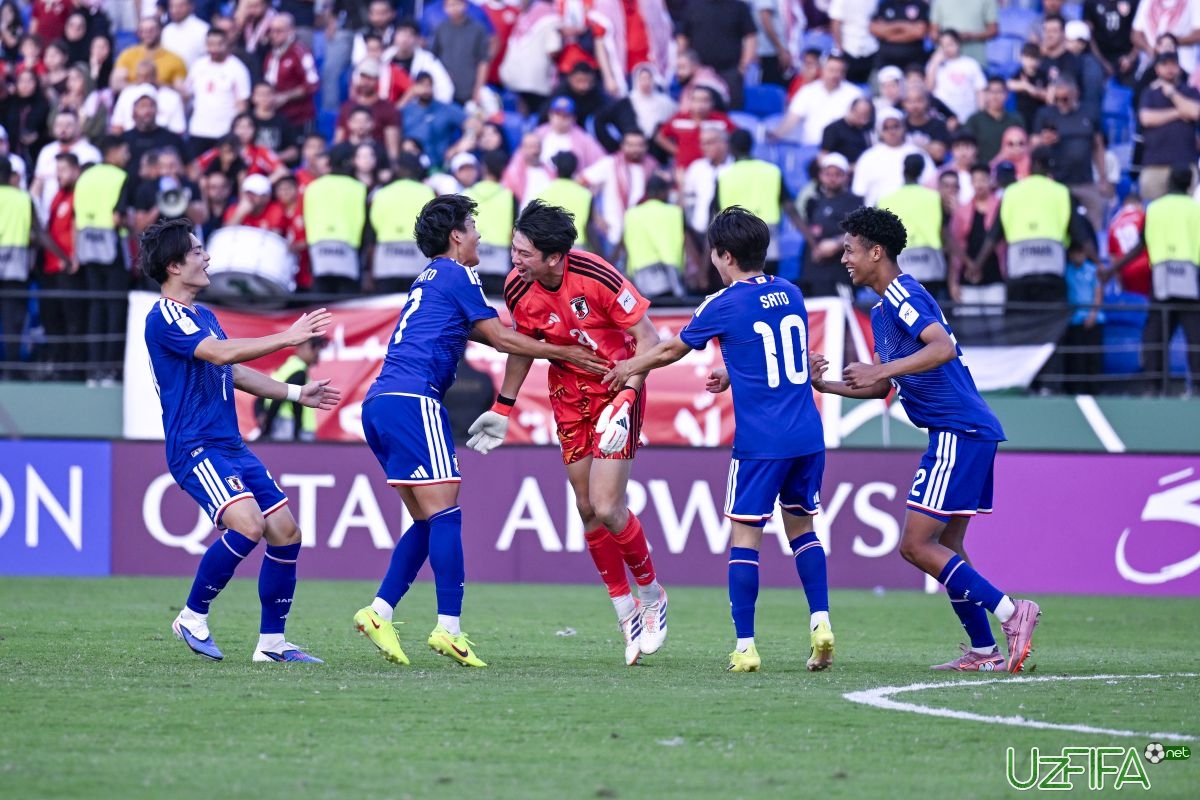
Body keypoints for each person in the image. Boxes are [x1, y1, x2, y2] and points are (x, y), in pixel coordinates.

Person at [351, 195, 609, 668]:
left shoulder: (429, 279)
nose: (479, 236)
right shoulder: (457, 273)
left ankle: (379, 612)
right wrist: (566, 353)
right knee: (447, 513)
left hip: (381, 403)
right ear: (455, 236)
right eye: (472, 226)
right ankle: (449, 628)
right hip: (413, 399)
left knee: (430, 521)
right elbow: (500, 337)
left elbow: (475, 332)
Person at [602, 206, 835, 673]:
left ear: (724, 255)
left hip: (761, 443)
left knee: (745, 540)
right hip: (808, 434)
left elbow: (670, 347)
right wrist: (733, 372)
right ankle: (821, 623)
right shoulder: (790, 292)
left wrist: (630, 366)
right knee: (803, 531)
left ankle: (746, 646)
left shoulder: (721, 303)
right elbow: (781, 353)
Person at [810, 206, 1041, 673]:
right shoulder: (881, 311)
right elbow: (880, 387)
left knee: (916, 545)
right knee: (947, 548)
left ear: (877, 252)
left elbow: (942, 348)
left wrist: (881, 369)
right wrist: (828, 386)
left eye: (851, 251)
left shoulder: (903, 293)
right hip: (965, 430)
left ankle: (1013, 613)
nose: (845, 259)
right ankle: (983, 650)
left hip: (958, 429)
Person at [464, 200, 670, 666]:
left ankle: (653, 594)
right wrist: (503, 405)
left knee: (607, 506)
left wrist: (627, 398)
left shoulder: (597, 276)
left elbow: (649, 340)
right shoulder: (519, 286)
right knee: (585, 508)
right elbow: (525, 345)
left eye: (524, 252)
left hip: (619, 388)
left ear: (554, 257)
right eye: (515, 248)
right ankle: (624, 609)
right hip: (567, 396)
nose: (515, 259)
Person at [141, 217, 341, 663]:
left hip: (229, 443)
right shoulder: (163, 318)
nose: (207, 256)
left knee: (286, 533)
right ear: (174, 266)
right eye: (197, 251)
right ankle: (192, 616)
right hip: (195, 446)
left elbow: (229, 368)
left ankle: (271, 644)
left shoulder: (204, 315)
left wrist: (295, 392)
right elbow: (218, 353)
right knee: (248, 525)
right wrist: (288, 337)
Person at [256, 335, 327, 440]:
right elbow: (280, 399)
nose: (317, 356)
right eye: (316, 350)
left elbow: (260, 399)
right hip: (288, 427)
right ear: (305, 347)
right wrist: (267, 430)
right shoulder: (299, 372)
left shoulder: (285, 368)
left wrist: (263, 419)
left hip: (280, 424)